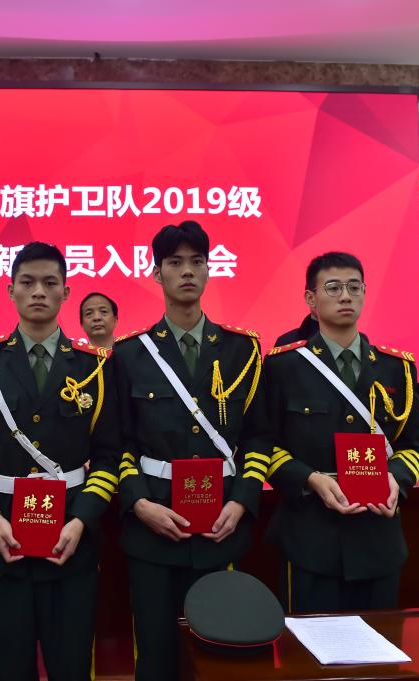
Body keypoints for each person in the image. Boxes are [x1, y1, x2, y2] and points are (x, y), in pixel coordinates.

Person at [0, 242, 119, 681]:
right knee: (7, 667)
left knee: (71, 667)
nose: (38, 291)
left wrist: (81, 521)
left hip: (72, 538)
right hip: (0, 537)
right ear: (11, 291)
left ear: (65, 292)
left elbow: (108, 457)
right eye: (27, 282)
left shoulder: (95, 366)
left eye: (49, 282)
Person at [113, 221, 268, 681]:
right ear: (156, 273)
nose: (187, 271)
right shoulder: (130, 354)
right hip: (154, 526)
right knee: (156, 656)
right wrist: (140, 505)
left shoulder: (242, 349)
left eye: (197, 262)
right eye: (175, 262)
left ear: (208, 270)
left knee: (220, 655)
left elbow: (258, 438)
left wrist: (242, 501)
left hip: (222, 524)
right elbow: (117, 443)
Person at [261, 251, 419, 614]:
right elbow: (263, 446)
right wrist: (310, 479)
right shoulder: (283, 366)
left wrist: (395, 479)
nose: (346, 296)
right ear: (311, 299)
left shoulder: (396, 367)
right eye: (333, 288)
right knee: (308, 647)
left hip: (377, 539)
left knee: (379, 647)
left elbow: (414, 449)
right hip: (309, 538)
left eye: (355, 287)